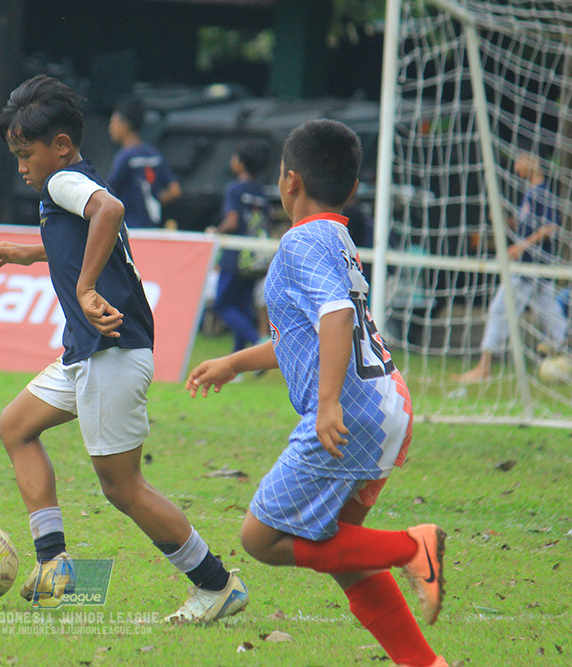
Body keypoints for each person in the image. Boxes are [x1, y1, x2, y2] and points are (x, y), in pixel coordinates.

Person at [0, 74, 247, 623]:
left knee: (122, 489)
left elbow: (111, 212)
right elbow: (79, 233)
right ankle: (56, 566)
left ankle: (216, 584)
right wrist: (28, 253)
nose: (21, 167)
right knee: (15, 426)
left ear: (59, 146)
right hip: (89, 350)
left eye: (25, 154)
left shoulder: (64, 183)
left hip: (112, 351)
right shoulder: (70, 180)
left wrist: (83, 289)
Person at [187, 120, 448, 667]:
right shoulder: (336, 238)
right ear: (351, 190)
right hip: (384, 405)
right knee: (344, 554)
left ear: (288, 181)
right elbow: (304, 334)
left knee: (260, 538)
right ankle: (424, 664)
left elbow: (332, 317)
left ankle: (412, 546)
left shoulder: (301, 241)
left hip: (349, 412)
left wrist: (326, 404)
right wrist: (235, 362)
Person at [455, 151, 566, 383]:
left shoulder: (542, 194)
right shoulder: (530, 194)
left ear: (532, 162)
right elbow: (529, 225)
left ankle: (484, 369)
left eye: (519, 163)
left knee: (499, 311)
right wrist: (506, 221)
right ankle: (564, 359)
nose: (516, 169)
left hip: (531, 267)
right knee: (553, 319)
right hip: (535, 269)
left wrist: (521, 247)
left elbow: (550, 226)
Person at [211, 139, 272, 354]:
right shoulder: (261, 192)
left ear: (242, 163)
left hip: (234, 256)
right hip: (254, 258)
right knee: (243, 308)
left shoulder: (234, 189)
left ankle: (258, 339)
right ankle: (238, 362)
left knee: (223, 304)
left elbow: (232, 221)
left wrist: (215, 232)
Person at [106, 97, 180, 229]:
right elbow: (175, 190)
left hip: (131, 229)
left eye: (113, 122)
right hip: (152, 228)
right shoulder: (154, 154)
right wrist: (153, 200)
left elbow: (108, 193)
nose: (110, 127)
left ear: (125, 124)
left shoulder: (125, 157)